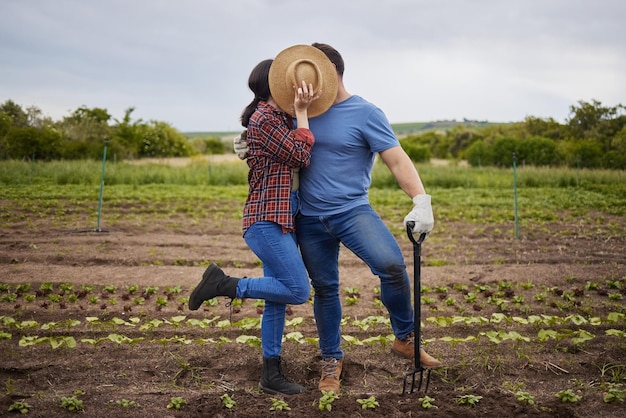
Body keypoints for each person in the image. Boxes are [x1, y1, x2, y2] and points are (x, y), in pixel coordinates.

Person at [237, 43, 443, 394]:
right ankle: (331, 360)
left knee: (391, 266)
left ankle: (405, 336)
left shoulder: (365, 113)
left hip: (352, 211)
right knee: (325, 289)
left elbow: (396, 159)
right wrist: (246, 141)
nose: (299, 87)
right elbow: (269, 135)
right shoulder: (299, 111)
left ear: (329, 73)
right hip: (308, 218)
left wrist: (420, 199)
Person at [189, 46, 336, 396]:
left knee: (277, 299)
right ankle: (224, 284)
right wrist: (301, 113)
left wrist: (303, 109)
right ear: (272, 85)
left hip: (280, 220)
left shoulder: (274, 118)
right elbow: (301, 154)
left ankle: (271, 374)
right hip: (266, 221)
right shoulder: (265, 119)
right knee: (299, 290)